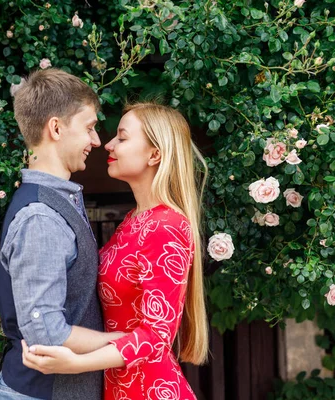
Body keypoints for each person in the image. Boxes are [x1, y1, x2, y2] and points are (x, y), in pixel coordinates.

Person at [22, 102, 209, 399]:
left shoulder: (167, 226)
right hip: (120, 386)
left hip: (149, 390)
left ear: (155, 154)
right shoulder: (134, 220)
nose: (108, 144)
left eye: (122, 138)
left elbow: (156, 337)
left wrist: (77, 364)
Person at [0, 69, 125, 400]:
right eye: (89, 128)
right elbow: (46, 332)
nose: (96, 141)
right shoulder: (42, 218)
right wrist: (126, 342)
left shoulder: (54, 202)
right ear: (56, 128)